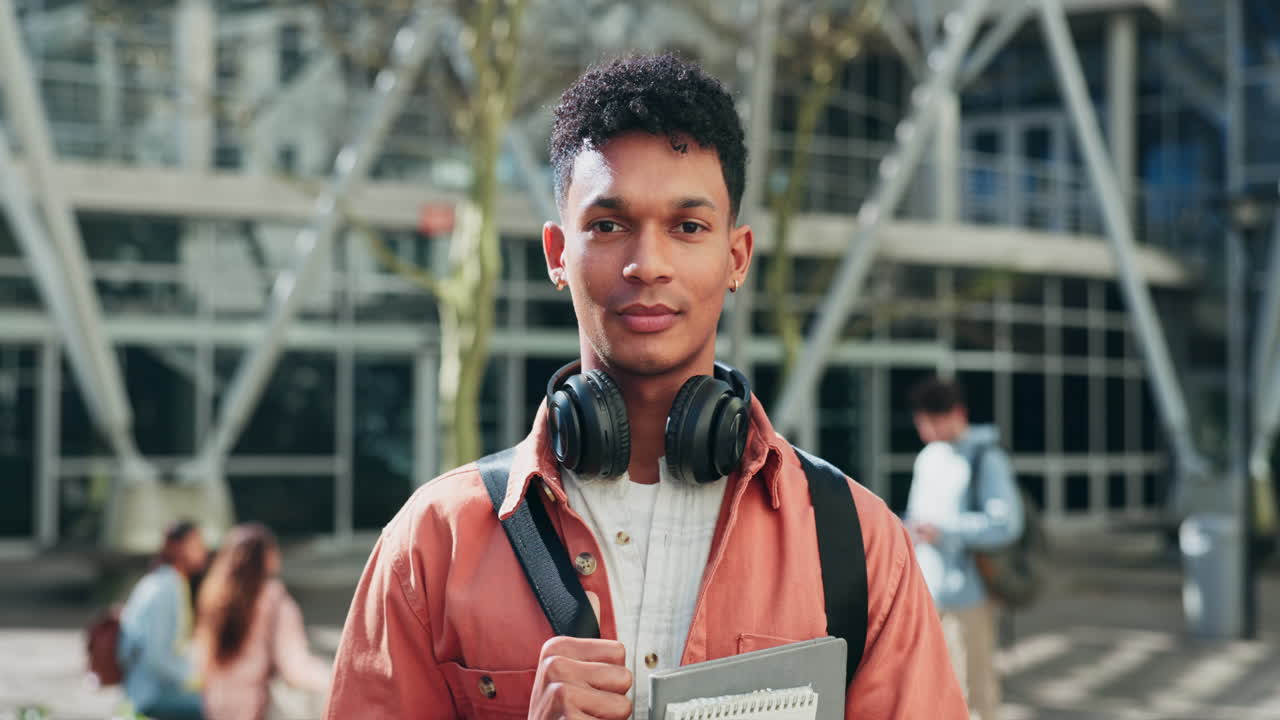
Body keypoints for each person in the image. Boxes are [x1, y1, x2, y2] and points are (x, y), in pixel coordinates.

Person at [326, 53, 966, 720]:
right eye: (608, 225)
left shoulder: (858, 544)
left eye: (688, 227)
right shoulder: (431, 545)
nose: (648, 264)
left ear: (736, 257)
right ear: (556, 256)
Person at [904, 376, 1024, 720]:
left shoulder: (986, 458)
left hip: (970, 594)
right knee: (931, 690)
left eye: (933, 421)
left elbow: (1005, 524)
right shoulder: (928, 458)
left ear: (957, 413)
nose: (927, 430)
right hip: (928, 593)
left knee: (973, 690)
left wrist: (944, 531)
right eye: (922, 422)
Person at [193, 523, 332, 720]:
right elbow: (294, 666)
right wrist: (332, 679)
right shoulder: (273, 599)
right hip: (251, 707)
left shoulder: (213, 597)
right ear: (267, 556)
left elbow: (200, 657)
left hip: (215, 703)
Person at [117, 520, 208, 720]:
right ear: (177, 547)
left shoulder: (168, 582)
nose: (203, 551)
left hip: (158, 688)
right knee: (222, 707)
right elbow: (156, 656)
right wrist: (196, 679)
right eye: (197, 545)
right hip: (151, 695)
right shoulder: (166, 588)